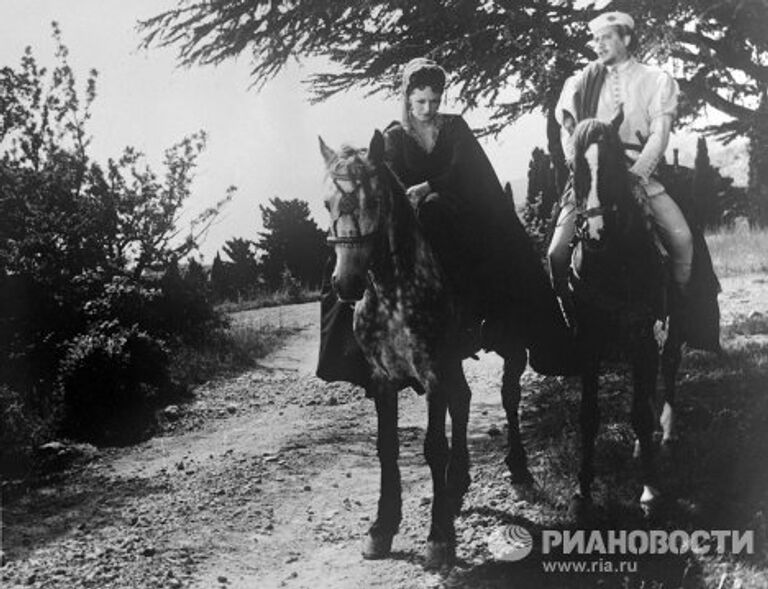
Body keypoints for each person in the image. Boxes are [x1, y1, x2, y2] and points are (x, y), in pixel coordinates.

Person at [380, 57, 574, 374]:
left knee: (445, 213)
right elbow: (388, 182)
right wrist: (409, 196)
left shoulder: (454, 126)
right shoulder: (394, 137)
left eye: (434, 101)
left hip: (462, 211)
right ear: (407, 98)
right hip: (416, 221)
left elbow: (468, 171)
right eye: (420, 102)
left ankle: (482, 316)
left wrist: (429, 185)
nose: (428, 108)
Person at [547, 11, 720, 350]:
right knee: (555, 252)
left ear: (626, 39)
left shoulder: (655, 79)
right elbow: (568, 133)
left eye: (607, 38)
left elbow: (660, 132)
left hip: (639, 172)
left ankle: (678, 316)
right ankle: (571, 320)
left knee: (683, 239)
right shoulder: (580, 81)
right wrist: (580, 170)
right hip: (592, 177)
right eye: (596, 40)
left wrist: (637, 174)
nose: (599, 45)